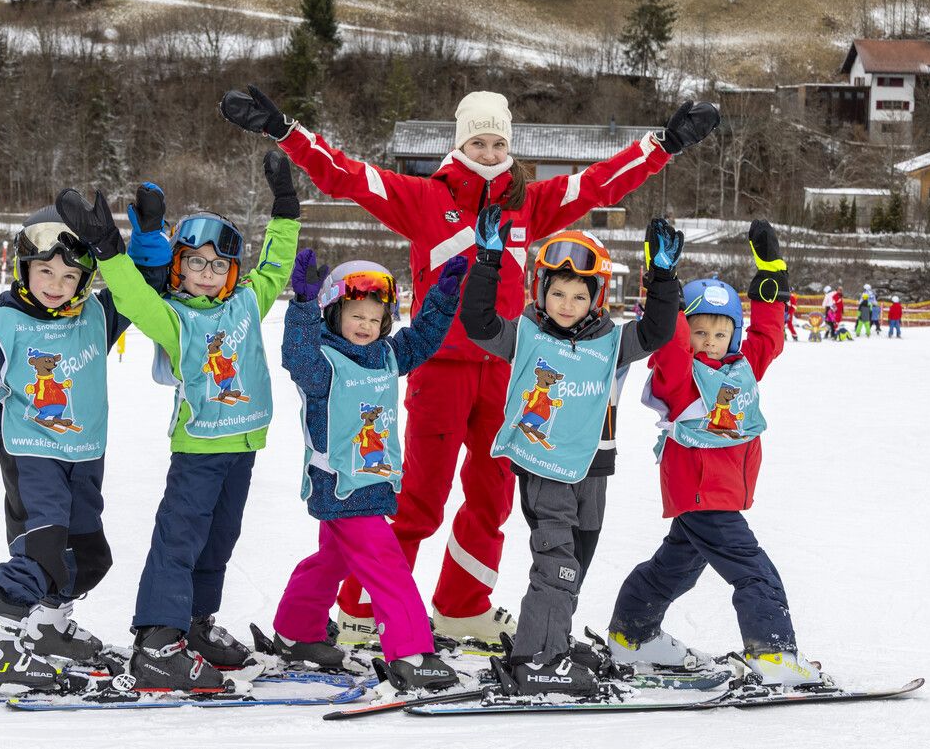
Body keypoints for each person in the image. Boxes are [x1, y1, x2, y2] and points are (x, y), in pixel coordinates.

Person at [218, 83, 720, 649]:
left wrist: (665, 143)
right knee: (418, 501)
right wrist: (285, 129)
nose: (487, 151)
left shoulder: (528, 202)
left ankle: (462, 607)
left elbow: (599, 181)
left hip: (510, 373)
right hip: (440, 370)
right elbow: (346, 175)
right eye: (477, 141)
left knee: (492, 501)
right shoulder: (422, 198)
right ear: (461, 144)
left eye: (496, 141)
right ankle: (362, 610)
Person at [56, 152, 299, 690]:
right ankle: (158, 638)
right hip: (198, 450)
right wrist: (109, 253)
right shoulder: (174, 319)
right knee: (180, 540)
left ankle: (195, 624)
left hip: (243, 447)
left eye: (218, 265)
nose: (207, 274)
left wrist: (286, 206)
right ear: (179, 266)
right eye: (195, 262)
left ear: (232, 271)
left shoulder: (247, 304)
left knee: (219, 541)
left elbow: (277, 266)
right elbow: (134, 298)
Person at [0, 201, 160, 690]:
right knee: (42, 552)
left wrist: (149, 242)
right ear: (24, 269)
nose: (55, 283)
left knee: (88, 558)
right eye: (45, 270)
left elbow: (143, 292)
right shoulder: (3, 325)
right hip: (31, 453)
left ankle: (48, 628)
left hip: (85, 454)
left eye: (69, 276)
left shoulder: (96, 316)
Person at [459, 212, 682, 695]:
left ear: (596, 298)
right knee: (556, 561)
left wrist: (661, 277)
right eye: (557, 293)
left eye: (579, 296)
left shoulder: (609, 342)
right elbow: (477, 323)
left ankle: (551, 637)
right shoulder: (524, 336)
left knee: (577, 560)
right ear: (540, 291)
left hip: (594, 469)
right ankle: (539, 660)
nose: (566, 304)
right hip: (546, 468)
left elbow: (657, 333)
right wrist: (487, 260)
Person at [606, 221, 829, 688]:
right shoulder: (680, 375)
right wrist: (662, 280)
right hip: (703, 492)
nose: (709, 341)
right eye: (699, 331)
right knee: (754, 571)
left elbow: (769, 337)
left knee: (676, 567)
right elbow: (669, 341)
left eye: (720, 333)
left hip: (713, 494)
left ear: (734, 336)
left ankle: (632, 635)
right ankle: (772, 652)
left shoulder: (743, 368)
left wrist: (771, 273)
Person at [269, 248, 465, 691]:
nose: (365, 326)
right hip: (341, 482)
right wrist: (301, 307)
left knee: (332, 560)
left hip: (371, 480)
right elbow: (296, 355)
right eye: (356, 314)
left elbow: (423, 339)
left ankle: (296, 631)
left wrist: (443, 299)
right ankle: (411, 652)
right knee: (385, 563)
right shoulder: (322, 364)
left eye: (375, 319)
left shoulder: (386, 357)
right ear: (335, 312)